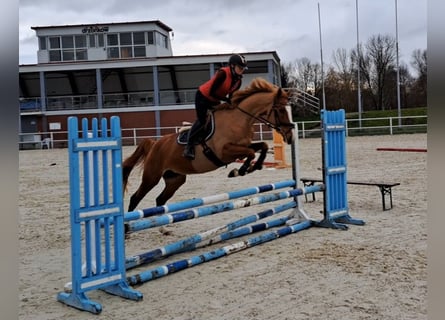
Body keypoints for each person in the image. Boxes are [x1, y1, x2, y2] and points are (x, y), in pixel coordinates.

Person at [183, 54, 248, 160]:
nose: (242, 70)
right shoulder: (223, 73)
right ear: (232, 66)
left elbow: (232, 97)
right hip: (203, 97)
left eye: (243, 68)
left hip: (215, 99)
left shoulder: (238, 81)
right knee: (202, 120)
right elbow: (212, 92)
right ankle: (188, 147)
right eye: (240, 68)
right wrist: (226, 100)